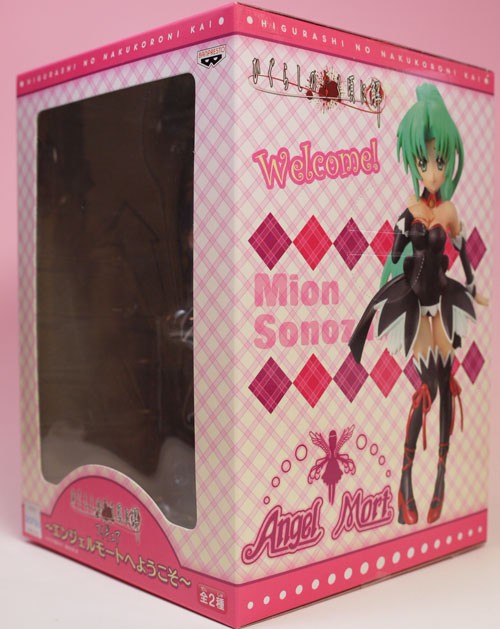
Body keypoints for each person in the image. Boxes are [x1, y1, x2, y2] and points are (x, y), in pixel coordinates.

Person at [348, 83, 488, 525]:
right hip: (416, 304)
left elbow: (463, 253)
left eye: (439, 162)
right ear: (413, 162)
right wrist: (383, 290)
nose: (431, 171)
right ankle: (405, 480)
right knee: (426, 387)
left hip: (442, 302)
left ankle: (441, 474)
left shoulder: (449, 213)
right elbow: (393, 259)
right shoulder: (408, 211)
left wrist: (473, 286)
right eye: (424, 162)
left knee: (446, 381)